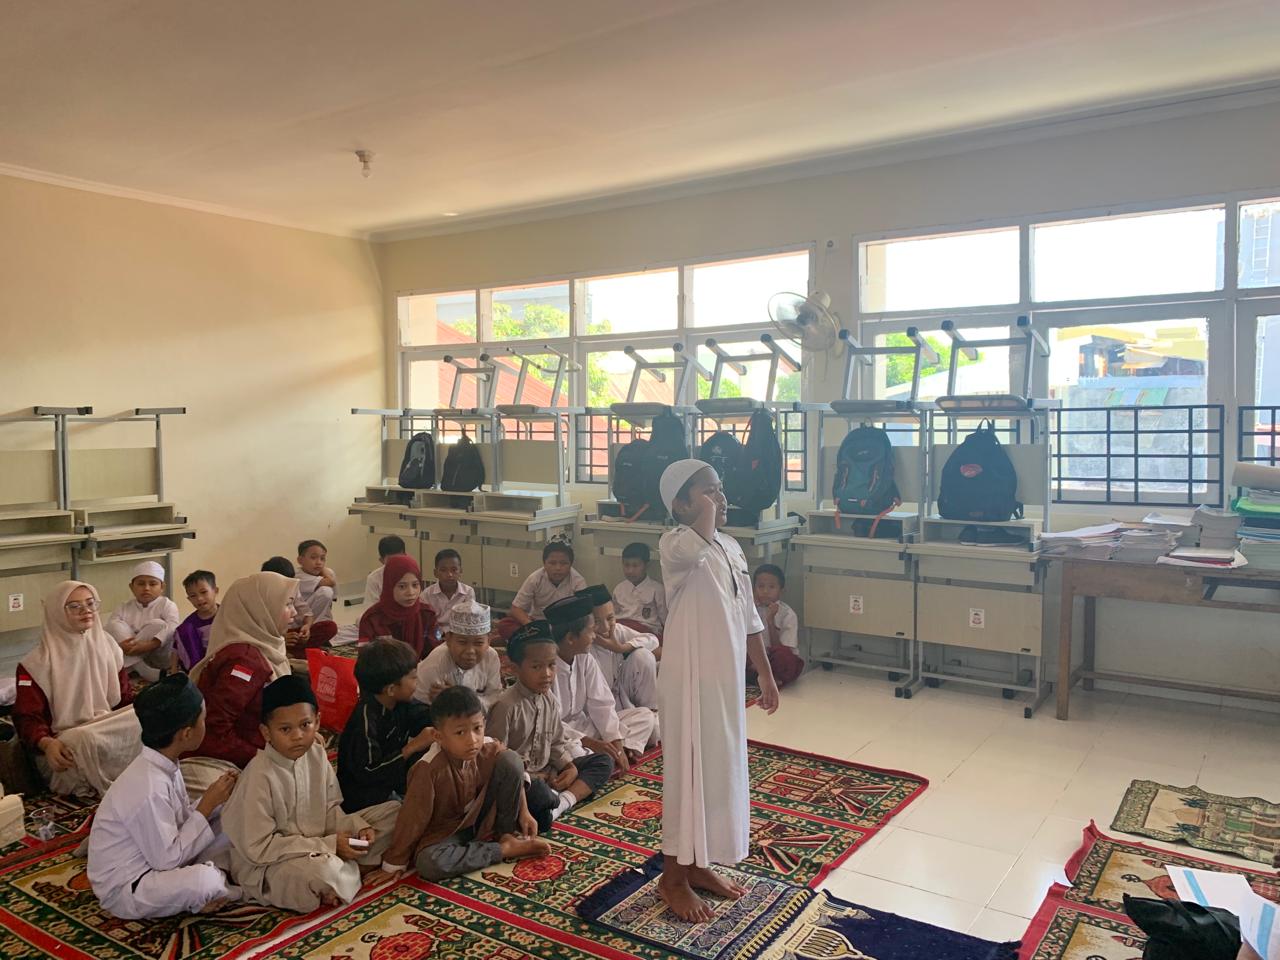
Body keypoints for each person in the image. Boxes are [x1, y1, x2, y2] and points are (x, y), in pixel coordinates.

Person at [656, 459, 780, 922]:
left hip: (724, 680)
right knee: (689, 772)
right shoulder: (674, 544)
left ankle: (698, 863)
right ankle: (672, 877)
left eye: (721, 489)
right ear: (680, 504)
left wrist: (764, 674)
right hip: (689, 679)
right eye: (708, 492)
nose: (721, 499)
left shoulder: (730, 546)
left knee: (718, 768)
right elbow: (695, 542)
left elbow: (748, 617)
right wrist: (705, 510)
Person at [222, 675, 401, 913]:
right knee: (322, 871)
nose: (297, 735)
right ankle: (344, 872)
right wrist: (330, 846)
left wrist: (358, 828)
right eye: (285, 729)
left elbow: (330, 810)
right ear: (266, 732)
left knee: (395, 814)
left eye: (305, 725)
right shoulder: (259, 775)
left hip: (323, 844)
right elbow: (260, 848)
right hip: (274, 862)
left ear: (317, 722)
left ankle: (344, 870)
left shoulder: (316, 755)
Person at [87, 674, 240, 918]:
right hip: (131, 886)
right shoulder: (148, 786)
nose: (206, 724)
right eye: (203, 719)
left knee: (231, 811)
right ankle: (227, 888)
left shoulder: (165, 764)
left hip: (162, 859)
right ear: (186, 734)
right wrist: (207, 804)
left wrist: (216, 799)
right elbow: (167, 860)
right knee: (205, 881)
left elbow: (179, 822)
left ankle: (213, 882)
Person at [372, 686, 548, 883]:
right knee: (429, 863)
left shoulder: (488, 746)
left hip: (483, 816)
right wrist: (394, 862)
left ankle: (506, 834)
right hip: (448, 830)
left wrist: (523, 811)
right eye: (460, 732)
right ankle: (503, 848)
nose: (472, 740)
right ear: (439, 736)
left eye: (477, 728)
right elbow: (412, 818)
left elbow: (514, 771)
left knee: (512, 761)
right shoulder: (428, 769)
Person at [14, 581, 141, 797]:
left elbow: (123, 699)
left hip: (105, 730)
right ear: (56, 612)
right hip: (64, 743)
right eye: (74, 606)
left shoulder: (108, 646)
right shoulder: (36, 663)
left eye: (90, 604)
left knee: (142, 715)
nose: (86, 611)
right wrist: (47, 744)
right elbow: (27, 718)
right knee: (83, 738)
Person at [486, 622, 613, 833]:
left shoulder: (550, 700)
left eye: (552, 665)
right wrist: (532, 778)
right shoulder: (506, 706)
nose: (546, 674)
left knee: (603, 761)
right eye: (536, 667)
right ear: (515, 669)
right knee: (538, 795)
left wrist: (569, 768)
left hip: (548, 772)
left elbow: (555, 744)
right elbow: (497, 761)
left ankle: (562, 803)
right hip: (524, 783)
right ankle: (552, 802)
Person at [188, 571, 296, 769]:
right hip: (231, 756)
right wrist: (264, 758)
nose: (294, 612)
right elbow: (215, 729)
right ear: (260, 610)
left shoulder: (263, 646)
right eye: (287, 604)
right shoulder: (244, 661)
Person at [547, 594, 656, 769]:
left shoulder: (585, 658)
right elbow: (549, 723)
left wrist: (616, 744)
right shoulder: (546, 668)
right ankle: (601, 757)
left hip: (587, 726)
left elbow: (602, 704)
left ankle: (611, 754)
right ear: (571, 638)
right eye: (590, 630)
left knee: (646, 717)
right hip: (561, 735)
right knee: (573, 751)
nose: (594, 636)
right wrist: (591, 742)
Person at [337, 638, 435, 813]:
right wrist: (412, 746)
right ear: (391, 689)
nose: (417, 681)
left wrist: (444, 706)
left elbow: (423, 716)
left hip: (390, 781)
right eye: (413, 677)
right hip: (363, 794)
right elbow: (368, 772)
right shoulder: (365, 719)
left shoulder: (400, 702)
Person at [580, 583, 660, 713]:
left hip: (623, 695)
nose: (606, 627)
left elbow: (652, 640)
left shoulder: (617, 631)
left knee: (643, 656)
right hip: (600, 708)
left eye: (610, 618)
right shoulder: (582, 647)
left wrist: (620, 648)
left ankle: (651, 709)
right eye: (596, 621)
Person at [414, 601, 504, 709]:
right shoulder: (435, 663)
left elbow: (494, 696)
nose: (470, 651)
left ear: (488, 641)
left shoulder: (491, 657)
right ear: (448, 640)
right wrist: (442, 703)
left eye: (478, 643)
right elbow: (419, 705)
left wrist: (459, 699)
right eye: (462, 642)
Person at [105, 560, 181, 681]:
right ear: (131, 587)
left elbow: (173, 627)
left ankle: (130, 667)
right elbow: (110, 631)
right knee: (114, 625)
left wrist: (151, 644)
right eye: (141, 584)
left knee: (159, 624)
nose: (146, 588)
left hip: (158, 656)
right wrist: (121, 646)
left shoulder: (167, 605)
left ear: (162, 587)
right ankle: (141, 668)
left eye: (152, 584)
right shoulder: (123, 607)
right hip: (128, 651)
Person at [496, 541, 586, 642]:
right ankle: (541, 639)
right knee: (505, 625)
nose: (558, 568)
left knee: (582, 630)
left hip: (564, 625)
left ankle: (534, 641)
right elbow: (516, 608)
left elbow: (583, 613)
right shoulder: (535, 579)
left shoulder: (578, 581)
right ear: (544, 564)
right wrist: (531, 625)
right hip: (537, 623)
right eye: (552, 563)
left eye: (563, 563)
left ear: (571, 564)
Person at [356, 553, 437, 660]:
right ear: (389, 586)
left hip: (418, 669)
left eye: (415, 585)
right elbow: (365, 660)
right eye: (402, 586)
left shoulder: (426, 614)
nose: (410, 592)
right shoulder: (372, 619)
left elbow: (434, 655)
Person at [262, 557, 336, 650]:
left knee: (329, 627)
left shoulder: (292, 588)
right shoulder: (260, 595)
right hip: (269, 638)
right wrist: (281, 638)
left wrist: (307, 627)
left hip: (290, 634)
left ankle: (296, 650)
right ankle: (295, 651)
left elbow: (307, 613)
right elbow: (254, 631)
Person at [750, 564, 804, 689]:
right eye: (760, 586)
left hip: (775, 659)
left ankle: (768, 677)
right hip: (756, 659)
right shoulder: (751, 609)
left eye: (771, 587)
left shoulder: (788, 614)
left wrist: (770, 621)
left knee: (784, 657)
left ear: (781, 591)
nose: (765, 591)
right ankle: (761, 675)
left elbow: (782, 649)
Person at [612, 542, 666, 637]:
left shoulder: (657, 590)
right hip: (622, 630)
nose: (630, 571)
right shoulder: (619, 589)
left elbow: (665, 620)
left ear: (646, 565)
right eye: (626, 565)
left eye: (635, 566)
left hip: (646, 633)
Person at [422, 548, 476, 639]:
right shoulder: (426, 594)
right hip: (435, 636)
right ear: (435, 573)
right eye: (443, 570)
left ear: (460, 571)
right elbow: (426, 623)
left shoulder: (468, 592)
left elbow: (469, 620)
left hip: (460, 635)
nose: (449, 574)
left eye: (454, 570)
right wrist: (441, 635)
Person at [174, 570, 219, 672]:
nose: (199, 598)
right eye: (193, 596)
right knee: (183, 630)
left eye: (204, 592)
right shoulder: (189, 624)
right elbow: (175, 649)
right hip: (201, 665)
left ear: (215, 590)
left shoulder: (227, 614)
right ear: (189, 599)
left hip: (225, 658)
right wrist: (173, 672)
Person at [295, 539, 337, 623]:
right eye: (313, 558)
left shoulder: (328, 573)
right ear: (300, 560)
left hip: (318, 614)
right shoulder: (298, 576)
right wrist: (323, 570)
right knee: (325, 591)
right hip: (302, 617)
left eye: (322, 558)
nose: (319, 562)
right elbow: (331, 582)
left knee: (330, 576)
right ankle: (314, 625)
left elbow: (332, 600)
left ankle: (323, 621)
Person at [363, 535, 407, 607]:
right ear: (382, 560)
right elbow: (371, 608)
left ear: (405, 556)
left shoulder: (412, 573)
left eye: (399, 559)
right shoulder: (373, 579)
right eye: (391, 560)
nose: (396, 563)